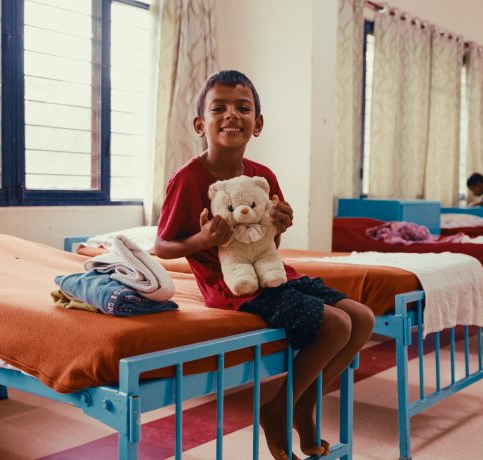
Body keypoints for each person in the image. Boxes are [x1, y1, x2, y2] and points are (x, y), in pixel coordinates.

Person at [154, 70, 375, 460]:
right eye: (218, 107)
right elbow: (162, 247)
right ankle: (278, 411)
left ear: (257, 124)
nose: (231, 116)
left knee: (362, 318)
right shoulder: (188, 179)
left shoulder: (263, 176)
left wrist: (281, 227)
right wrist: (202, 240)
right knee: (336, 324)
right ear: (199, 123)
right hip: (231, 287)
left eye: (243, 108)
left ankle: (302, 405)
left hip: (273, 276)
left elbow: (269, 241)